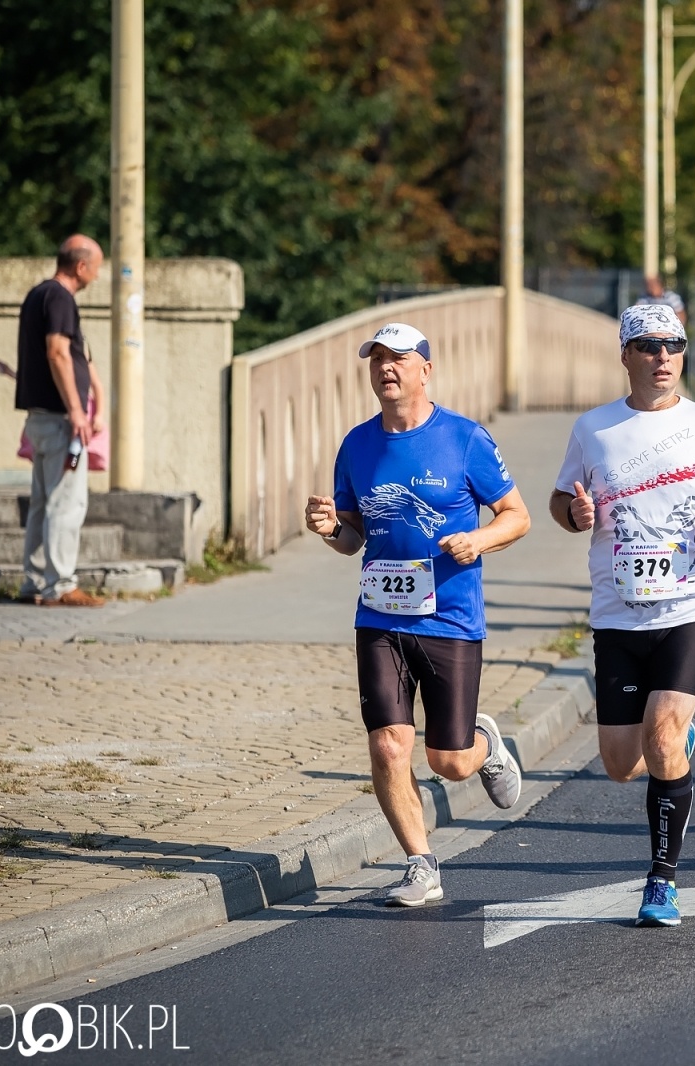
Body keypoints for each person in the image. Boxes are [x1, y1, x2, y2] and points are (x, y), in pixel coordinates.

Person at [305, 322, 531, 907]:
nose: (385, 368)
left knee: (449, 761)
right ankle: (420, 863)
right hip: (380, 616)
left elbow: (517, 515)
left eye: (397, 358)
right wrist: (331, 528)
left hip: (450, 617)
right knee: (387, 745)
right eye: (376, 359)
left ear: (425, 369)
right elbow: (351, 536)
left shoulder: (464, 438)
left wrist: (478, 541)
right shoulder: (356, 444)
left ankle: (486, 746)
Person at [553, 304, 695, 926]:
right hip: (618, 612)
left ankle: (661, 881)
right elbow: (563, 499)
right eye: (648, 346)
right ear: (625, 355)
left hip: (690, 603)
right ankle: (671, 737)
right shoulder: (594, 428)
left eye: (673, 345)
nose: (663, 357)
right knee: (621, 764)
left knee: (664, 737)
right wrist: (577, 515)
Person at [14, 235, 107, 608]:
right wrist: (76, 410)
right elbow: (58, 352)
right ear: (81, 266)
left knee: (43, 502)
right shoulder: (60, 298)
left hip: (40, 420)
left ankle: (35, 581)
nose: (97, 277)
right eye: (97, 268)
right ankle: (61, 585)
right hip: (58, 423)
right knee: (66, 503)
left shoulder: (37, 295)